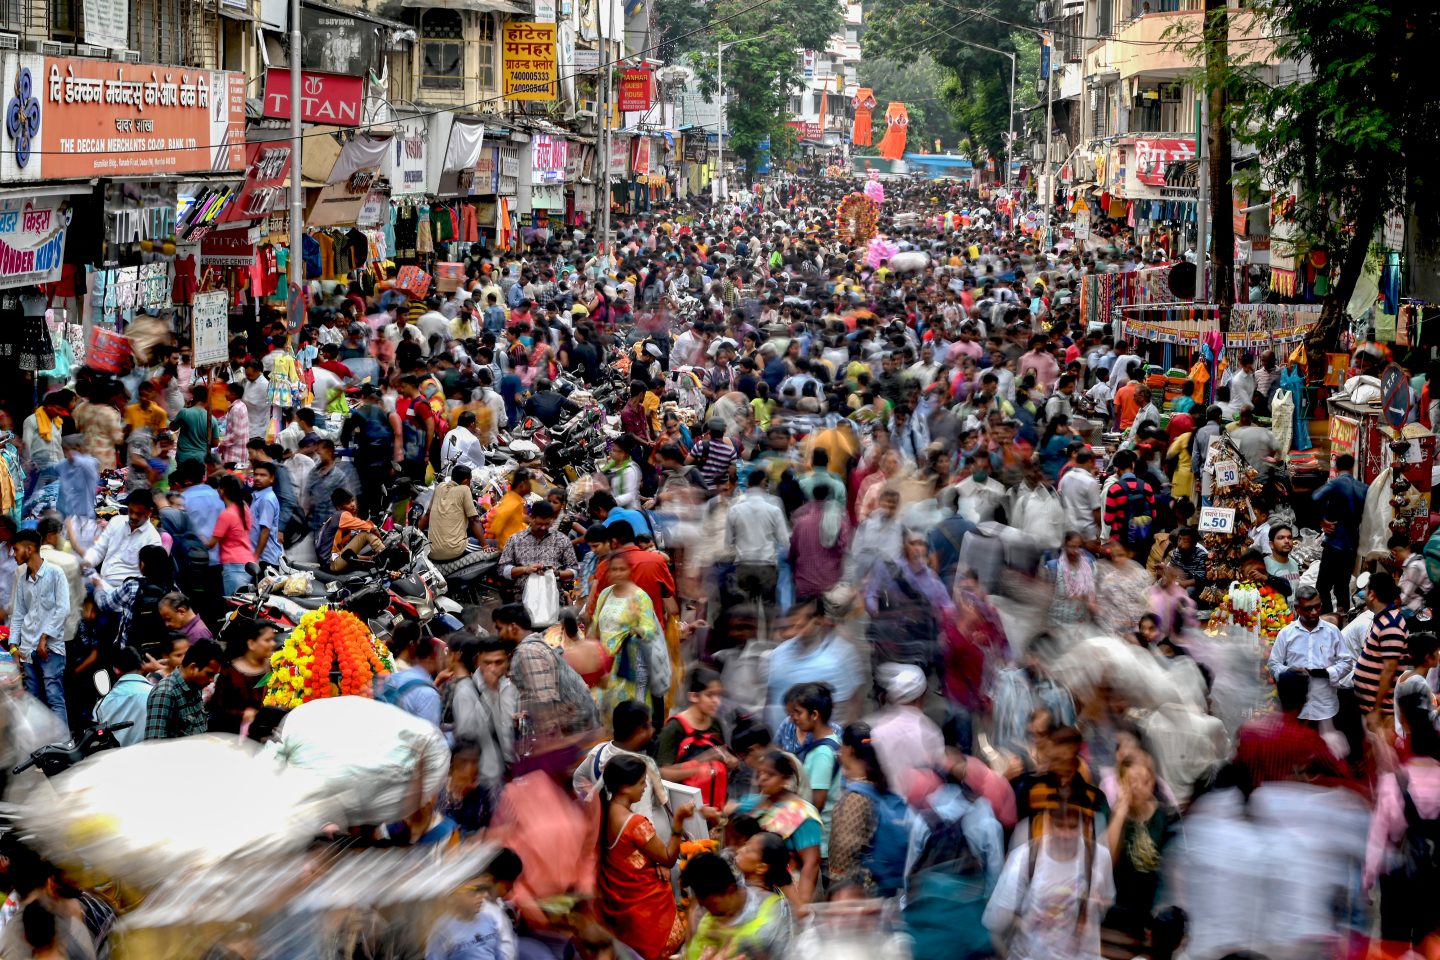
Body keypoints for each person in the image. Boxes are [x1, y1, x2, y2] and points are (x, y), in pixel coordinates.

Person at [982, 802, 1115, 960]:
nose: (1066, 834)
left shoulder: (1100, 858)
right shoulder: (1025, 858)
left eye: (1072, 827)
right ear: (1049, 823)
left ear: (1083, 825)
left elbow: (1106, 902)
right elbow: (996, 925)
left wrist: (1097, 905)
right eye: (1060, 826)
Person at [597, 755, 695, 960]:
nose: (644, 788)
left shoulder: (606, 811)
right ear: (625, 787)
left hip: (622, 902)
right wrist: (678, 822)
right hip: (646, 906)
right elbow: (668, 857)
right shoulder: (635, 824)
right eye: (641, 783)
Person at [728, 749, 823, 902]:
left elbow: (811, 864)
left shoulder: (802, 813)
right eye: (759, 774)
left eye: (770, 775)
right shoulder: (753, 803)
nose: (762, 779)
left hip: (788, 887)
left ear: (785, 778)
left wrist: (802, 903)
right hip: (756, 883)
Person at [828, 721, 911, 897]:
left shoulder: (856, 798)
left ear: (849, 749)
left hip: (861, 892)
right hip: (885, 887)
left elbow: (844, 852)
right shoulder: (880, 788)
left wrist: (837, 891)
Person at [492, 603, 598, 739]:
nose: (498, 634)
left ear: (513, 627)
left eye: (499, 628)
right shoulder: (535, 645)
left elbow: (545, 706)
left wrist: (546, 745)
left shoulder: (528, 652)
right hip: (579, 730)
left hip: (575, 735)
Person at [588, 550, 668, 720]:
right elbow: (595, 626)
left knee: (627, 717)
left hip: (627, 666)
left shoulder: (639, 597)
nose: (618, 573)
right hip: (605, 668)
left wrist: (636, 631)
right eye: (613, 569)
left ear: (629, 570)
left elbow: (649, 629)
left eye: (622, 569)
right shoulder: (605, 594)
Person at [10, 529, 71, 725]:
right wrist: (14, 647)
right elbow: (18, 614)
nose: (13, 554)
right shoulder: (22, 579)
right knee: (33, 703)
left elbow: (63, 609)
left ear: (29, 549)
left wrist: (45, 637)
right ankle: (40, 750)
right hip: (28, 649)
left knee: (54, 698)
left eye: (16, 549)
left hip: (51, 649)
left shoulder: (55, 573)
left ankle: (64, 747)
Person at [682, 851, 793, 960]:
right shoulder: (704, 917)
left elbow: (784, 953)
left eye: (712, 905)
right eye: (703, 905)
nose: (708, 912)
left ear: (730, 889)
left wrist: (741, 941)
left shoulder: (772, 909)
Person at [1267, 585, 1352, 724]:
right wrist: (1290, 672)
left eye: (1318, 607)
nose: (1314, 612)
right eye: (1308, 608)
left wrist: (1327, 672)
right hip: (1297, 710)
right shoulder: (1286, 633)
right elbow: (1273, 664)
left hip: (1325, 708)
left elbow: (1347, 663)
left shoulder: (1332, 631)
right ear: (1297, 609)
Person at [656, 665, 734, 807]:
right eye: (710, 695)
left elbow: (721, 755)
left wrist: (730, 760)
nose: (717, 701)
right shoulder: (674, 728)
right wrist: (701, 764)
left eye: (718, 695)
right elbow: (663, 774)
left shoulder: (716, 723)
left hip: (714, 802)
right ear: (693, 696)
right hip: (684, 806)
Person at [426, 848, 525, 960]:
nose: (482, 896)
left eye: (483, 889)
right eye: (474, 891)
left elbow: (500, 954)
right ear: (454, 892)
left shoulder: (489, 920)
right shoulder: (442, 930)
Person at [143, 638, 225, 739]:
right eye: (209, 674)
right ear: (193, 667)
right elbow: (154, 744)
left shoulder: (196, 685)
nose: (212, 680)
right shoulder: (165, 693)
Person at [208, 620, 276, 735]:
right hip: (231, 736)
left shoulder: (270, 667)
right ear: (251, 644)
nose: (273, 644)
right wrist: (244, 714)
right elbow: (218, 710)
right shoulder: (231, 673)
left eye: (273, 639)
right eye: (267, 640)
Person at [421, 465, 486, 564]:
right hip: (454, 550)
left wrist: (415, 534)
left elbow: (427, 515)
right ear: (465, 481)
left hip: (432, 551)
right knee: (496, 545)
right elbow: (474, 521)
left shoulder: (439, 487)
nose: (470, 483)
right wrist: (485, 545)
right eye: (470, 480)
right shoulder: (464, 489)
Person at [92, 647, 156, 747]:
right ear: (142, 666)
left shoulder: (102, 704)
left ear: (116, 670)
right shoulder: (157, 693)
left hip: (117, 759)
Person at [205, 474, 256, 596]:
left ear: (221, 490)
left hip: (233, 565)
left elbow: (211, 544)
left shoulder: (226, 514)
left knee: (233, 604)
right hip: (248, 561)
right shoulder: (244, 507)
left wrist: (199, 539)